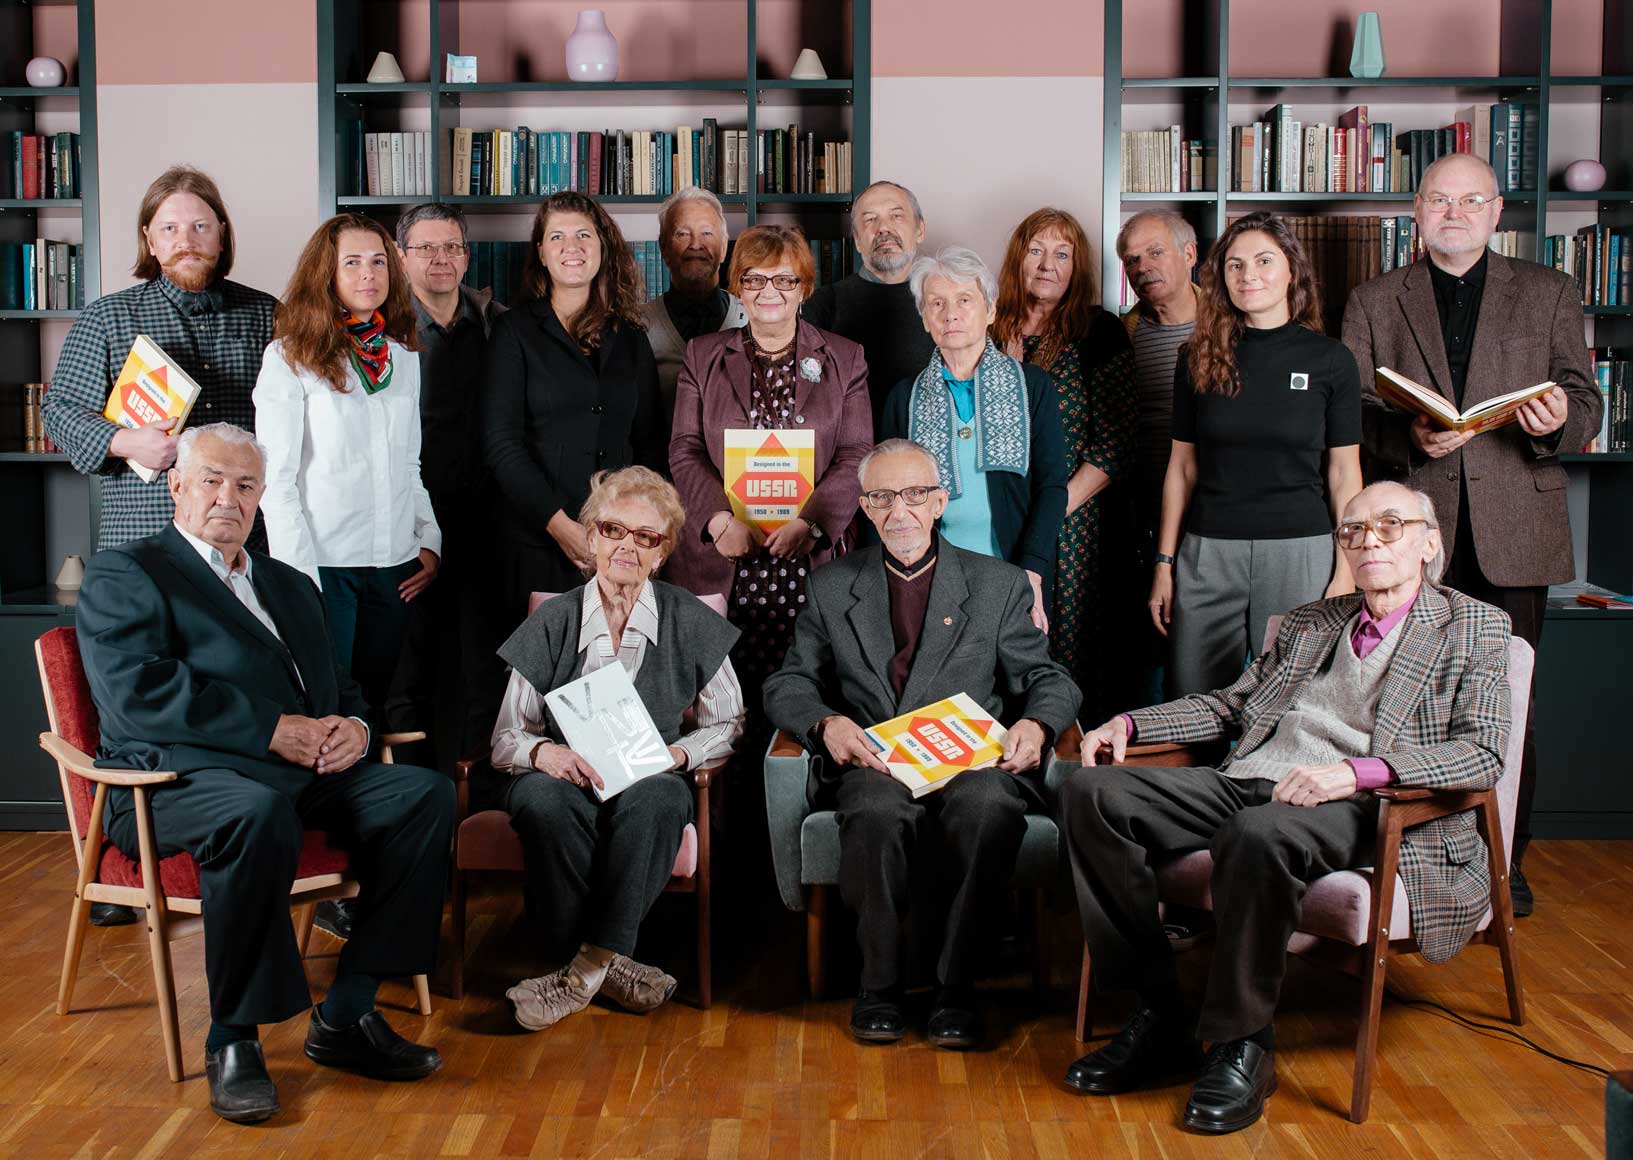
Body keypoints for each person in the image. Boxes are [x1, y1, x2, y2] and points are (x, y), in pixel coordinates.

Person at [1057, 481, 1512, 1135]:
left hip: (1361, 800)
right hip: (1251, 779)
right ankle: (1157, 1011)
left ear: (1429, 542)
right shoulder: (1310, 621)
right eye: (1353, 530)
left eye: (1389, 525)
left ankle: (1243, 1044)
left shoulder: (1473, 627)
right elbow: (1228, 706)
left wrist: (1355, 772)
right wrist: (1130, 722)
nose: (1368, 541)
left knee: (1257, 832)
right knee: (1088, 790)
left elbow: (1481, 754)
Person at [74, 424, 453, 1125]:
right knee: (254, 813)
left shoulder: (285, 582)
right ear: (177, 485)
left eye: (245, 485)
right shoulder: (129, 572)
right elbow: (142, 692)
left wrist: (354, 730)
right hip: (174, 782)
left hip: (297, 772)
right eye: (213, 480)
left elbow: (336, 688)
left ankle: (347, 1013)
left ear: (262, 497)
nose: (228, 497)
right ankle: (234, 1040)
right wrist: (272, 730)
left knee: (423, 795)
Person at [1342, 152, 1600, 918]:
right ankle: (1410, 865)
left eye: (1470, 201)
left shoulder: (1549, 291)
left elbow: (1583, 401)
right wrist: (1405, 435)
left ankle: (1500, 864)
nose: (1453, 213)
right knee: (1399, 701)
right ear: (1417, 212)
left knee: (1504, 706)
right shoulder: (1373, 298)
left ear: (1495, 213)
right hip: (1410, 532)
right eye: (1438, 201)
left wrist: (1559, 424)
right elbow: (1347, 411)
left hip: (1515, 531)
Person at [763, 438, 1081, 1049]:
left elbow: (1049, 679)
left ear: (939, 502)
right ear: (864, 506)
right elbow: (790, 681)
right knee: (876, 810)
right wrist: (826, 724)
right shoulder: (833, 586)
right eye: (882, 498)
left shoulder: (998, 584)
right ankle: (878, 987)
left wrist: (1036, 726)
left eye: (914, 495)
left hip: (971, 765)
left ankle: (955, 989)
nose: (898, 511)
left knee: (989, 806)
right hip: (877, 763)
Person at [40, 165, 278, 929]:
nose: (186, 239)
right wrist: (122, 437)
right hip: (144, 529)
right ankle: (131, 853)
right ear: (148, 237)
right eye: (170, 227)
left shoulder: (263, 315)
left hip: (243, 533)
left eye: (201, 225)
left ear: (222, 236)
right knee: (140, 689)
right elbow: (60, 410)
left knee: (238, 675)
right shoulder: (111, 319)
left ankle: (236, 830)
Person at [488, 467, 745, 1031]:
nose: (626, 546)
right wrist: (546, 757)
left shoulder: (689, 619)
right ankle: (613, 964)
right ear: (592, 536)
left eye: (645, 537)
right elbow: (508, 735)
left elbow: (728, 720)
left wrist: (678, 756)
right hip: (564, 773)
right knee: (542, 803)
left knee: (658, 797)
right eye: (612, 530)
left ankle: (579, 973)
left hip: (647, 775)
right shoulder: (554, 618)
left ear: (663, 551)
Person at [1149, 211, 1363, 698]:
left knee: (1294, 704)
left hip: (1301, 550)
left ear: (1292, 269)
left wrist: (1346, 571)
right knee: (1192, 699)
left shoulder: (1331, 361)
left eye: (1264, 261)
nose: (1249, 276)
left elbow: (1344, 474)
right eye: (1235, 265)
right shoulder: (1196, 357)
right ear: (1221, 276)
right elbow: (1181, 469)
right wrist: (1164, 563)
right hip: (1208, 551)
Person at [668, 223, 872, 697]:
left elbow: (856, 453)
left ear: (805, 288)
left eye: (784, 279)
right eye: (754, 279)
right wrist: (719, 523)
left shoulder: (845, 358)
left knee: (809, 696)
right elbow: (684, 448)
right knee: (721, 702)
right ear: (737, 286)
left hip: (810, 555)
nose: (769, 291)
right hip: (726, 555)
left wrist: (813, 525)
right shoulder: (703, 356)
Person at [253, 213, 440, 714]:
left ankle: (369, 795)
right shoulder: (290, 357)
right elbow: (277, 480)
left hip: (392, 566)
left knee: (372, 705)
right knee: (324, 706)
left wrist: (428, 541)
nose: (368, 274)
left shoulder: (401, 358)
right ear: (327, 275)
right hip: (324, 568)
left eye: (379, 261)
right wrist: (299, 579)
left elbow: (408, 466)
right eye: (352, 262)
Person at [482, 191, 667, 629]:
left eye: (585, 235)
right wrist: (559, 524)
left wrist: (641, 532)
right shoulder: (513, 332)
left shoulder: (631, 336)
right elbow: (501, 444)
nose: (573, 246)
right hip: (536, 538)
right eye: (558, 236)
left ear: (603, 248)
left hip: (621, 543)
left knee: (616, 676)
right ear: (542, 252)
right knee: (540, 679)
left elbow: (650, 441)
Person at [992, 207, 1140, 722]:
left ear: (1077, 265)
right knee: (1002, 635)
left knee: (1068, 637)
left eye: (1062, 253)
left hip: (1077, 519)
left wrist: (1052, 512)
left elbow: (1116, 443)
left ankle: (1068, 751)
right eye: (1036, 250)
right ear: (1018, 259)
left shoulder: (1098, 331)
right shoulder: (988, 326)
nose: (1048, 264)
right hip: (1002, 511)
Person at [878, 246, 1068, 630]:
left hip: (1016, 570)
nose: (951, 313)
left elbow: (1052, 486)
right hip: (929, 575)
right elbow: (883, 498)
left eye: (965, 299)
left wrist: (1033, 568)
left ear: (991, 310)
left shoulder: (1032, 386)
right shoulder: (904, 398)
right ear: (925, 318)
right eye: (937, 303)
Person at [385, 203, 509, 767]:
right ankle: (415, 802)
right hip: (406, 525)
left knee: (483, 665)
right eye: (425, 248)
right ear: (401, 257)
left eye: (452, 247)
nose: (441, 259)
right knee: (409, 666)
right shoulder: (381, 332)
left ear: (466, 255)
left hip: (487, 523)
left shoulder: (497, 325)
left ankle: (478, 806)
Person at [801, 180, 935, 422]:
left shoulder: (943, 304)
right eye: (870, 219)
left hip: (924, 452)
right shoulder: (824, 304)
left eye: (896, 216)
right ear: (857, 239)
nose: (884, 228)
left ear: (920, 230)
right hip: (849, 452)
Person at [1116, 210, 1200, 543]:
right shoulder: (1120, 339)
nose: (1142, 268)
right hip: (1143, 511)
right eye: (1132, 259)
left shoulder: (1232, 331)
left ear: (1189, 254)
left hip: (1212, 510)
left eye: (1155, 252)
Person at [640, 186, 747, 416]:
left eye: (707, 233)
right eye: (682, 234)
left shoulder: (752, 319)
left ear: (724, 247)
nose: (695, 244)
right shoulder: (639, 326)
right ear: (663, 248)